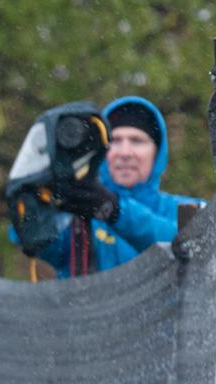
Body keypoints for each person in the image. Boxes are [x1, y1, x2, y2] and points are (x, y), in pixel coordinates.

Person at [30, 96, 204, 278]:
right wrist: (34, 196)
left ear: (158, 153)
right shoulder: (78, 215)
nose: (125, 153)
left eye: (137, 140)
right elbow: (39, 242)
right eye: (114, 140)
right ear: (101, 149)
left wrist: (114, 210)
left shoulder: (188, 210)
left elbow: (191, 247)